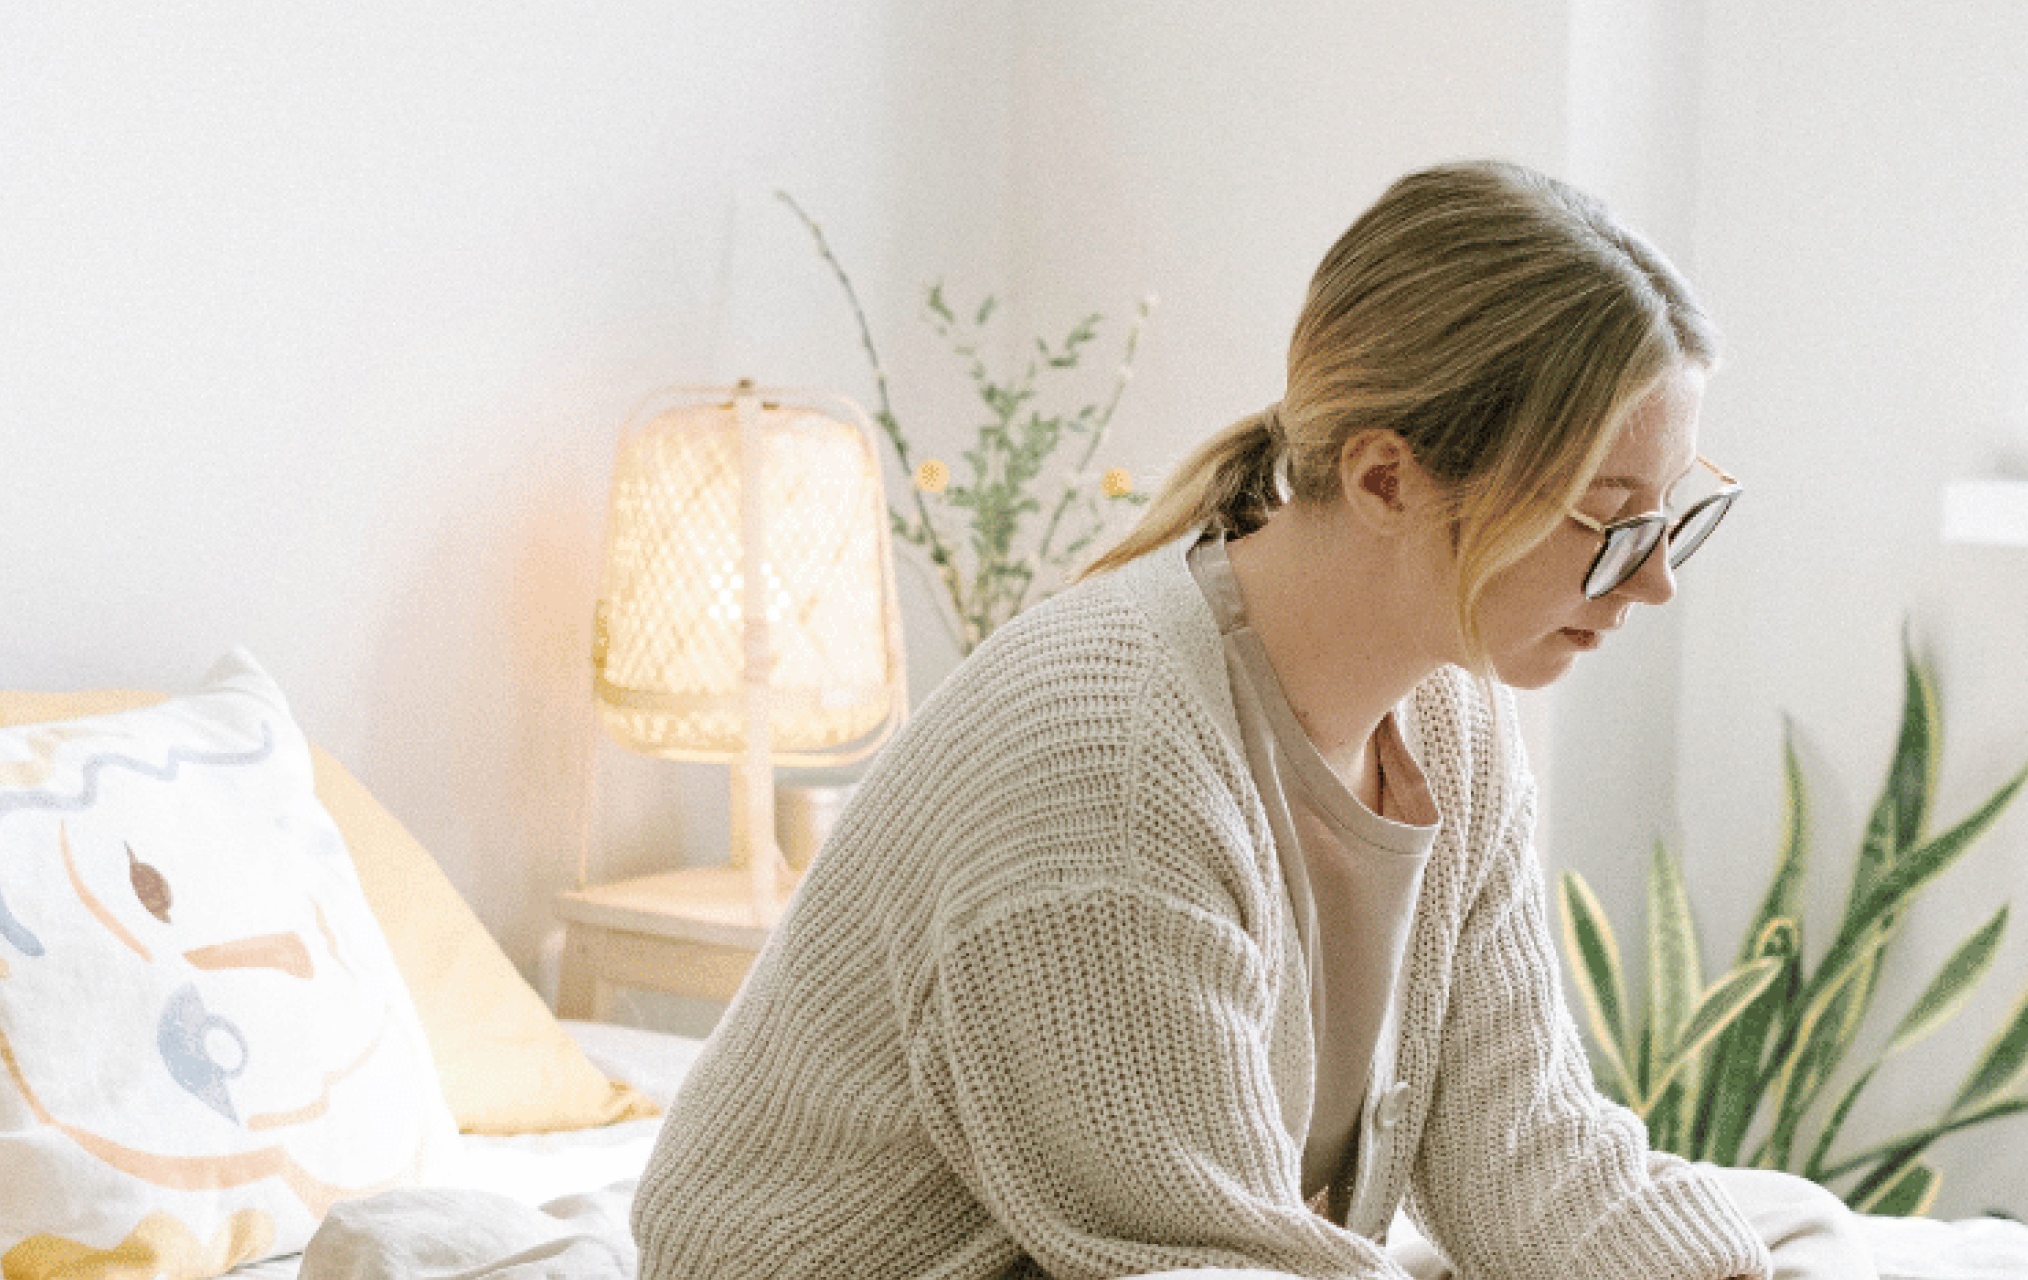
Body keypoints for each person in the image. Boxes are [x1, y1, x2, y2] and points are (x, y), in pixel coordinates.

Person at [631, 159, 1774, 1280]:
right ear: (1386, 480)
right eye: (1611, 521)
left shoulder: (1452, 719)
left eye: (1677, 514)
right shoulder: (1110, 763)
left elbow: (1527, 1156)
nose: (1656, 580)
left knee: (1793, 1230)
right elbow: (1214, 1257)